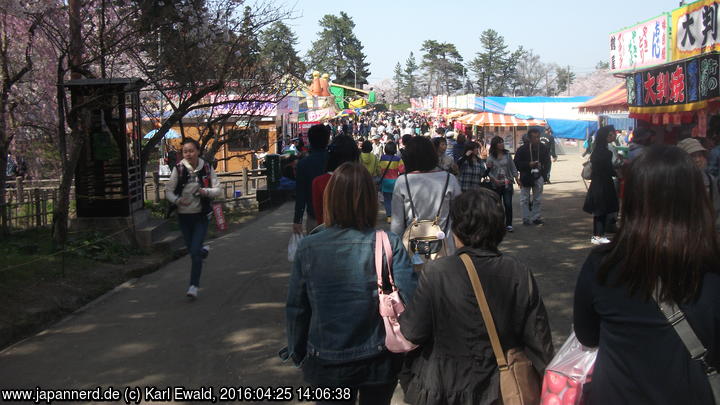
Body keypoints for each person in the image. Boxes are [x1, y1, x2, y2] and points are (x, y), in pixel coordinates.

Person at [573, 145, 720, 405]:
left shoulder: (604, 264)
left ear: (631, 199)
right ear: (697, 198)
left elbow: (587, 335)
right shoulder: (712, 266)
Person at [399, 188, 554, 405]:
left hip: (443, 387)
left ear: (457, 229)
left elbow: (412, 330)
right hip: (501, 388)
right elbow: (539, 340)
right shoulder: (518, 271)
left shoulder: (437, 272)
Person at [283, 162, 418, 405]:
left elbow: (297, 308)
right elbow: (410, 298)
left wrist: (298, 352)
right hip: (380, 357)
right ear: (370, 199)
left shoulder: (308, 247)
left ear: (330, 199)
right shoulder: (389, 241)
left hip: (325, 357)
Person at [165, 139, 221, 299]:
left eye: (191, 150)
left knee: (194, 252)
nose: (188, 154)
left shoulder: (206, 167)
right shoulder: (179, 168)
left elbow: (218, 189)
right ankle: (202, 251)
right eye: (185, 151)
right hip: (183, 216)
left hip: (201, 216)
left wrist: (206, 192)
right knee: (193, 251)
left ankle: (193, 286)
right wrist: (177, 200)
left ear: (198, 151)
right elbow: (168, 190)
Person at [391, 136, 462, 254]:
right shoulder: (450, 180)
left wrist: (396, 252)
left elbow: (397, 225)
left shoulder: (403, 182)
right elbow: (459, 216)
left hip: (412, 250)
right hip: (445, 248)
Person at [583, 126, 620, 245]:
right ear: (605, 136)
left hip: (598, 182)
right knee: (601, 210)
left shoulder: (597, 149)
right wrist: (618, 173)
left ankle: (598, 234)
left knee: (600, 210)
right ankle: (598, 235)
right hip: (604, 183)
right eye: (610, 134)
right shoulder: (606, 152)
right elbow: (608, 169)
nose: (613, 136)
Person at [312, 136, 360, 226]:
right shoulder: (362, 179)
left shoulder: (319, 182)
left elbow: (319, 215)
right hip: (360, 235)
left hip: (327, 234)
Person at [293, 124, 330, 235]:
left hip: (314, 216)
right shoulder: (334, 160)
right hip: (336, 216)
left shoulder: (303, 164)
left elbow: (300, 193)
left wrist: (297, 219)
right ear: (327, 139)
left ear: (309, 140)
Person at [677, 137, 720, 232]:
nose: (697, 160)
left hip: (704, 232)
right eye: (692, 155)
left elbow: (716, 209)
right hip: (680, 232)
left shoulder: (710, 180)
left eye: (700, 155)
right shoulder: (674, 181)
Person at [514, 128, 550, 226]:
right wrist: (528, 164)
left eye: (538, 137)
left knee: (537, 198)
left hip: (538, 176)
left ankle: (536, 217)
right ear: (529, 138)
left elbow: (548, 162)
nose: (537, 139)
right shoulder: (522, 149)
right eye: (534, 138)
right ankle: (525, 218)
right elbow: (516, 163)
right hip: (525, 176)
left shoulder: (543, 148)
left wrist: (544, 174)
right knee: (524, 198)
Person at [487, 136, 520, 232]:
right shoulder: (491, 157)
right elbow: (488, 171)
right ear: (495, 145)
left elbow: (513, 167)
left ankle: (509, 224)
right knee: (497, 205)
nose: (502, 144)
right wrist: (494, 180)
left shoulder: (507, 154)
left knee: (508, 204)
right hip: (496, 184)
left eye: (502, 142)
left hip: (507, 182)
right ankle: (498, 224)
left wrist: (517, 178)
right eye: (499, 142)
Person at [378, 141, 404, 224]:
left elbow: (379, 170)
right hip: (395, 182)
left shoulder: (382, 158)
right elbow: (402, 170)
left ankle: (389, 216)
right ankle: (396, 216)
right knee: (396, 200)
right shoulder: (398, 159)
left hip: (385, 182)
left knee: (387, 200)